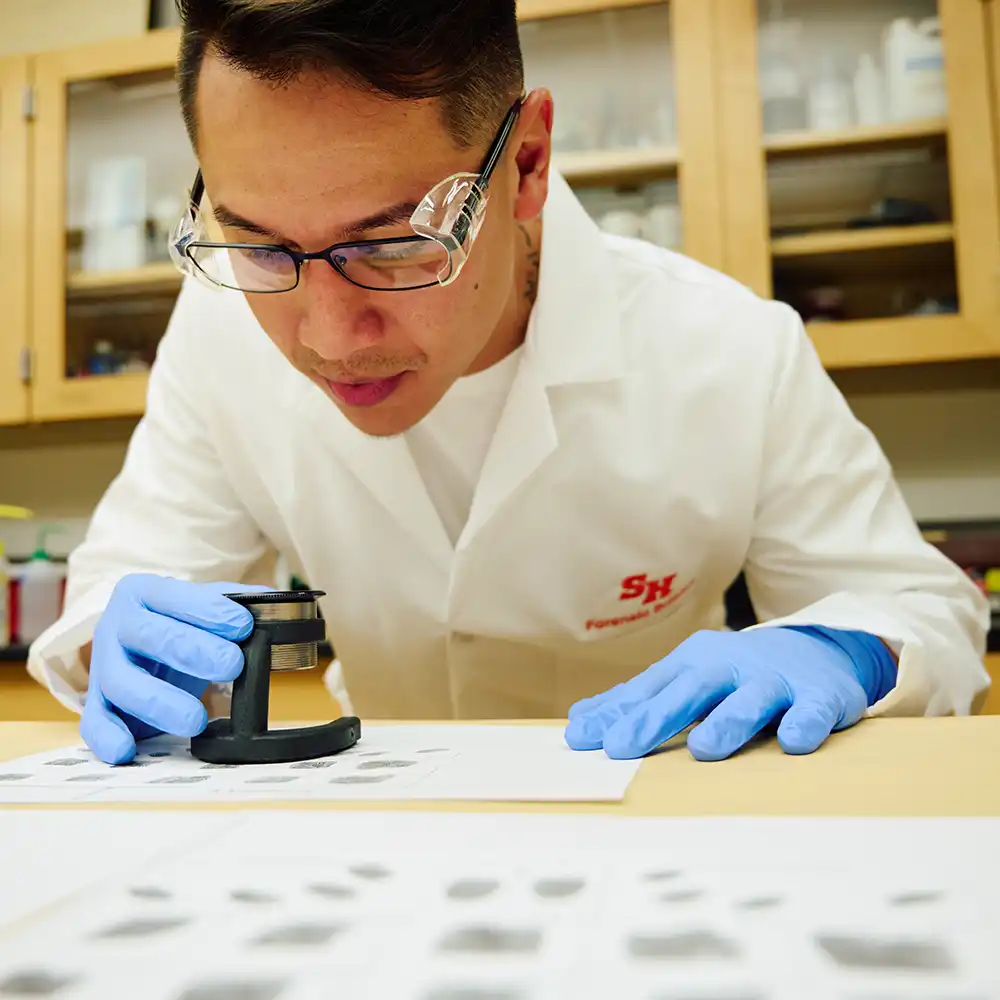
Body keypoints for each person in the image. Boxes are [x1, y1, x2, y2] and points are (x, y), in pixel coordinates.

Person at [29, 0, 989, 766]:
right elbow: (126, 583)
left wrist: (845, 648)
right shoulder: (218, 329)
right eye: (258, 241)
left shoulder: (732, 350)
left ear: (525, 163)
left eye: (395, 243)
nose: (326, 336)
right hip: (369, 820)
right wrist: (117, 637)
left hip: (655, 820)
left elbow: (919, 611)